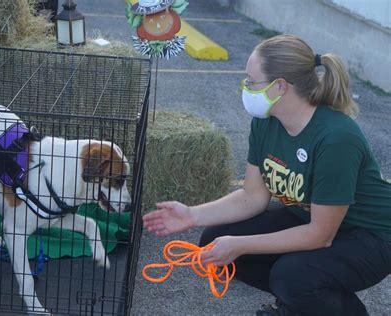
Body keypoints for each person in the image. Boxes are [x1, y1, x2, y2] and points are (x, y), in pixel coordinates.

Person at [142, 34, 391, 316]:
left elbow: (321, 235)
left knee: (292, 277)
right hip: (316, 218)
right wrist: (192, 215)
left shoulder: (337, 138)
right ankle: (306, 301)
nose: (245, 88)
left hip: (373, 235)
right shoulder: (265, 122)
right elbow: (253, 196)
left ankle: (312, 299)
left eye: (251, 81)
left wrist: (240, 245)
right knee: (216, 241)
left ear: (280, 87)